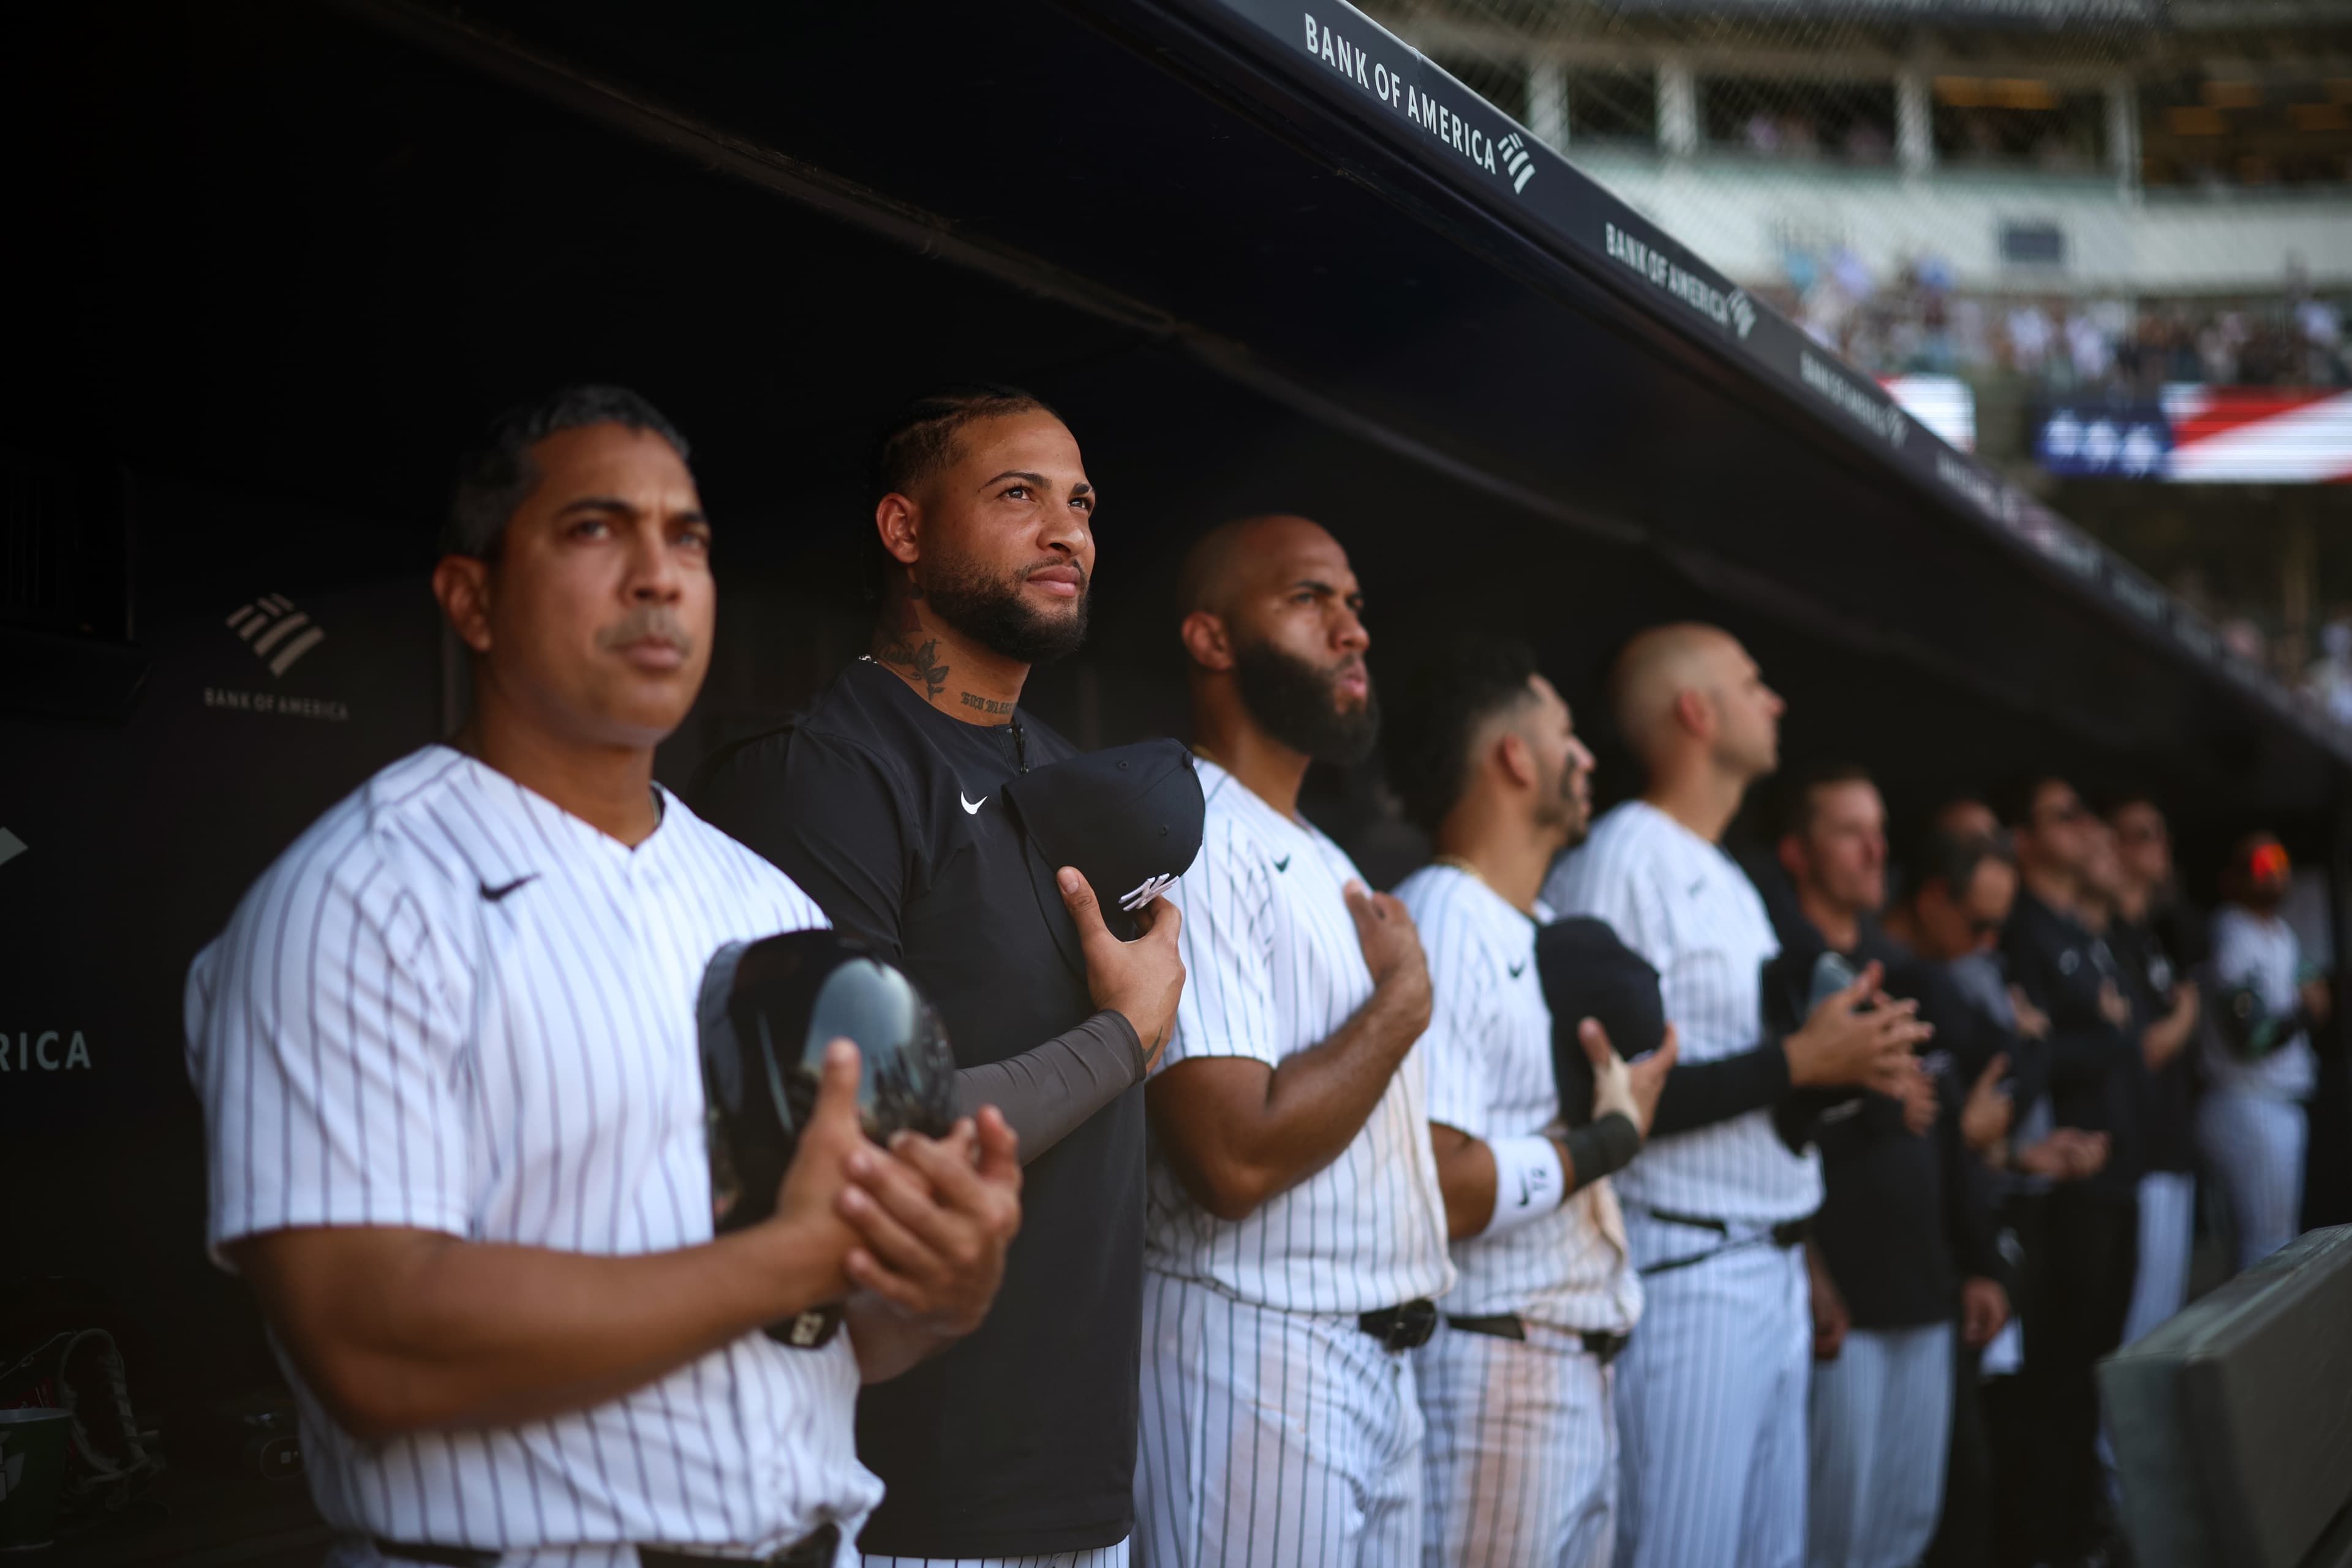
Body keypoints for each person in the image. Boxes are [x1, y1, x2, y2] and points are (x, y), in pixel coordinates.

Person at [182, 387, 1022, 1568]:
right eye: (595, 529)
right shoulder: (359, 895)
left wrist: (939, 1287)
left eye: (688, 539)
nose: (657, 576)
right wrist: (781, 1262)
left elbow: (834, 1330)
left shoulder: (768, 904)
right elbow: (374, 1353)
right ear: (471, 598)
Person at [692, 385, 1186, 1567]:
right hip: (918, 1486)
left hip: (1085, 1472)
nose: (1068, 531)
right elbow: (861, 1134)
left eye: (1081, 504)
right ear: (904, 531)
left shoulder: (1072, 776)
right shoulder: (827, 773)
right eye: (1019, 496)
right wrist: (1122, 1040)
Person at [1540, 624, 1930, 1568]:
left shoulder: (1730, 878)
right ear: (1695, 711)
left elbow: (1766, 1082)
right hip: (1684, 1271)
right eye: (1755, 684)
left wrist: (1849, 1065)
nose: (1777, 701)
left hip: (1769, 1259)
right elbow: (1609, 1102)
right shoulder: (1623, 855)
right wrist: (1802, 1062)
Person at [1136, 514, 1453, 1567]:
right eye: (1311, 598)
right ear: (1211, 640)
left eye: (1354, 603)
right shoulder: (1192, 827)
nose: (1353, 629)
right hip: (1256, 1352)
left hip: (1375, 1360)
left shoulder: (1320, 849)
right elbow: (1229, 1156)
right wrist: (1403, 1004)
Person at [1382, 637, 1676, 1567]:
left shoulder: (1536, 923)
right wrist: (1610, 1139)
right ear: (1515, 755)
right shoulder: (1446, 913)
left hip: (1571, 1362)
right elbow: (1441, 1186)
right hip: (1492, 1364)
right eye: (1566, 735)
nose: (1587, 757)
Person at [1769, 767, 2008, 1568]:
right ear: (1797, 852)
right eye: (1849, 832)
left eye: (1879, 831)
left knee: (1908, 1523)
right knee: (1834, 1532)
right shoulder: (1776, 964)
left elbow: (1955, 1119)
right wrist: (1868, 1095)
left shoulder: (1902, 967)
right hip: (1842, 1294)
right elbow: (1760, 1125)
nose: (1876, 850)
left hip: (1926, 1287)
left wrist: (1977, 1261)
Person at [1995, 776, 2141, 1566]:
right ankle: (2048, 1541)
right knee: (2054, 1385)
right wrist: (2111, 1034)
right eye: (2064, 815)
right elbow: (2036, 1056)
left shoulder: (2075, 928)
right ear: (2024, 841)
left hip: (2112, 1176)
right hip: (2059, 1186)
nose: (2085, 825)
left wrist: (2110, 1031)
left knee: (2092, 1375)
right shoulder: (2025, 927)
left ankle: (2077, 1529)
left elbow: (2095, 1033)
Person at [2098, 797, 2201, 1343]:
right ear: (2111, 847)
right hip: (2138, 1157)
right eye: (2142, 834)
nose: (2158, 844)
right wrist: (2189, 1009)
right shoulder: (2107, 938)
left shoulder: (2155, 933)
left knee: (2165, 1323)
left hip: (2172, 1143)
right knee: (2137, 1330)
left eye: (2161, 832)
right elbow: (2147, 1047)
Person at [2198, 832, 2325, 1272]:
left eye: (2281, 860)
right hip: (2249, 1101)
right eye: (2260, 864)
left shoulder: (2279, 933)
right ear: (2232, 878)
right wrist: (2304, 1013)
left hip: (2273, 1102)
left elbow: (2316, 993)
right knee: (2268, 1247)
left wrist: (2307, 1007)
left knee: (2274, 1239)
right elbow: (2249, 1039)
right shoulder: (2233, 930)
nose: (2274, 871)